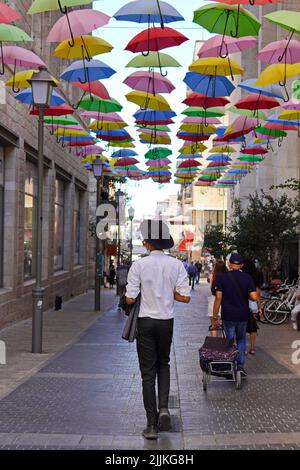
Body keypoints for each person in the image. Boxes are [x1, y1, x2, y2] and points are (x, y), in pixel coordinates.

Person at [126, 219, 191, 440]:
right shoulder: (176, 265)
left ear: (146, 243)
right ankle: (164, 408)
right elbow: (185, 297)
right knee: (164, 364)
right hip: (166, 322)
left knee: (147, 374)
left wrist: (144, 293)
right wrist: (167, 293)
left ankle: (151, 425)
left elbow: (129, 297)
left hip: (145, 321)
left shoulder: (139, 265)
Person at [213, 253, 258, 377]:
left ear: (229, 264)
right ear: (241, 265)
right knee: (241, 339)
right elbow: (254, 297)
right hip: (242, 315)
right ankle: (240, 367)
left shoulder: (222, 277)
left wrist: (215, 316)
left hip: (228, 314)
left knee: (230, 339)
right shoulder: (247, 278)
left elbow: (218, 298)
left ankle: (229, 364)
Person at [242, 259, 263, 355]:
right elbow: (258, 294)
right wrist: (260, 308)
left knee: (243, 327)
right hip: (254, 305)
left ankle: (244, 349)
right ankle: (252, 348)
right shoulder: (255, 277)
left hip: (244, 305)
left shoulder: (244, 277)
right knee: (253, 328)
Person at [208, 260, 227, 336]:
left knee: (214, 326)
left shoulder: (212, 275)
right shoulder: (227, 276)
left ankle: (214, 345)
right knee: (224, 325)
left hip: (213, 301)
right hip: (224, 301)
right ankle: (224, 344)